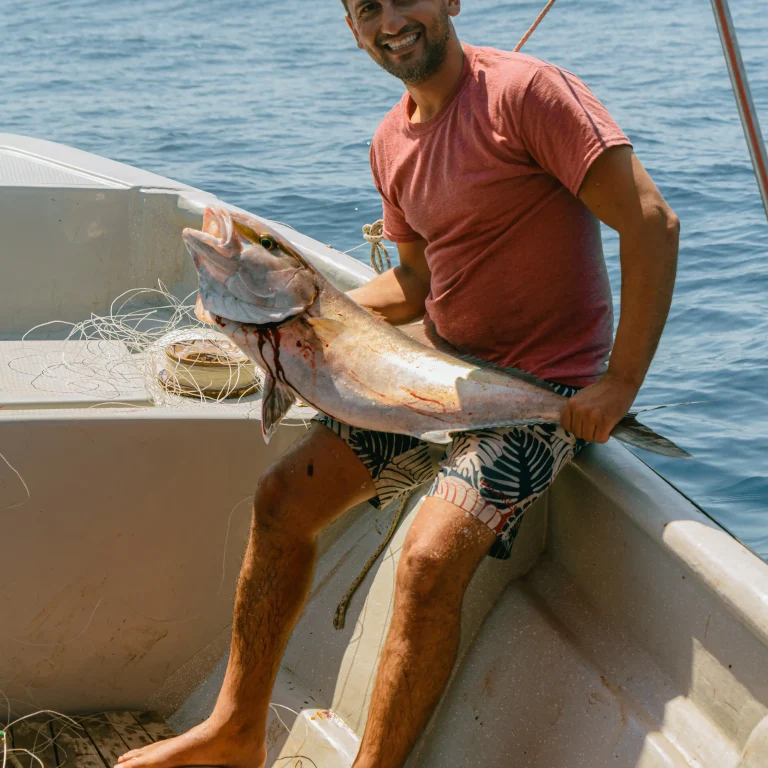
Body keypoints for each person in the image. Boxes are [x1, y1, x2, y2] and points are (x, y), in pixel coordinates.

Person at [115, 1, 679, 767]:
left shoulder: (527, 93)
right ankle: (236, 730)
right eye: (366, 8)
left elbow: (651, 221)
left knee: (427, 558)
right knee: (281, 501)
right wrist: (282, 313)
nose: (390, 21)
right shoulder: (390, 141)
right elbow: (413, 282)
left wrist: (618, 384)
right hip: (430, 377)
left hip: (539, 393)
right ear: (352, 27)